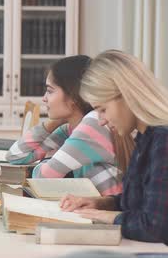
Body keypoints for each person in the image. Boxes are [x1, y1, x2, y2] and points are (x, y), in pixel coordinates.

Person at [60, 50, 168, 243]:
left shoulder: (163, 140)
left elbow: (154, 226)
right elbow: (138, 201)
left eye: (103, 109)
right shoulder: (147, 138)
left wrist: (109, 217)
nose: (101, 121)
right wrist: (99, 204)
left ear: (126, 96)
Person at [6, 55, 132, 195]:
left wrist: (49, 162)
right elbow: (16, 156)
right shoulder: (71, 128)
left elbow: (42, 178)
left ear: (72, 95)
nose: (44, 98)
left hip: (115, 211)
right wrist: (52, 124)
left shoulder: (93, 125)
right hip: (96, 208)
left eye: (50, 91)